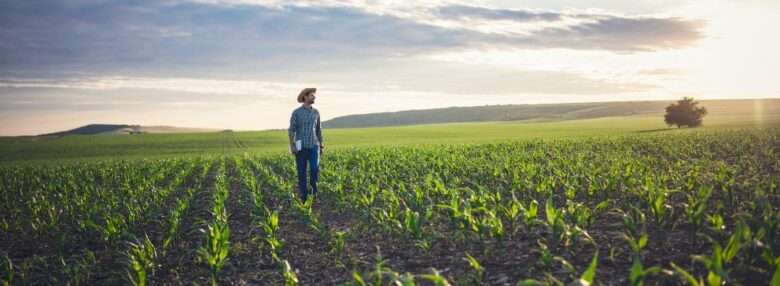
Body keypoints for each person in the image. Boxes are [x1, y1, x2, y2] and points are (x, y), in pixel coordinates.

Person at [288, 87, 324, 202]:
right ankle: (303, 196)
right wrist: (292, 145)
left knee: (314, 169)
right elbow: (291, 130)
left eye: (314, 95)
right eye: (312, 95)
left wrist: (321, 144)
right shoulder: (296, 113)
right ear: (305, 97)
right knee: (301, 172)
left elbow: (319, 130)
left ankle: (314, 193)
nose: (314, 97)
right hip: (301, 148)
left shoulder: (316, 112)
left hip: (314, 146)